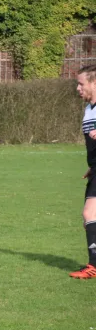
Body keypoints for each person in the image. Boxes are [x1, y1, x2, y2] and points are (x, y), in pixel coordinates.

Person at [70, 64, 96, 279]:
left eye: (81, 84)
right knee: (90, 215)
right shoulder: (88, 109)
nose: (78, 88)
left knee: (89, 213)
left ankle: (93, 266)